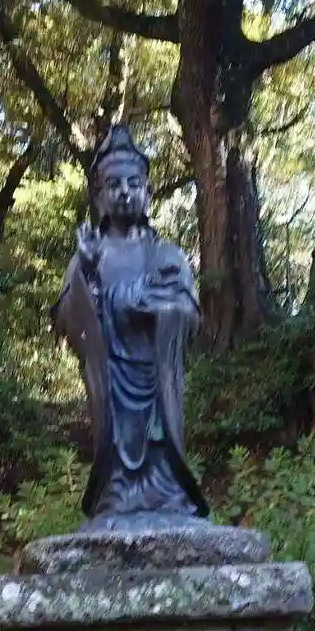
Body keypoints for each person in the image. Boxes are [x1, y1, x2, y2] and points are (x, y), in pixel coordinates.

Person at [52, 124, 208, 520]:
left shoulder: (168, 256)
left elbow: (191, 316)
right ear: (98, 196)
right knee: (117, 477)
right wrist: (88, 275)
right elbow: (68, 319)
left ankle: (167, 495)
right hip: (114, 379)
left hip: (154, 376)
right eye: (114, 184)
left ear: (148, 192)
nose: (124, 192)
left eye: (133, 183)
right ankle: (116, 494)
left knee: (162, 454)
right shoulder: (89, 255)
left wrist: (160, 310)